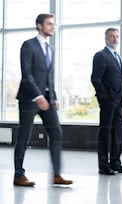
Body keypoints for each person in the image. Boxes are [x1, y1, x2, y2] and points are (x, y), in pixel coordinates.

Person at [13, 13, 73, 186]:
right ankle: (18, 175)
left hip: (47, 99)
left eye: (53, 24)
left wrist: (52, 97)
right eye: (49, 24)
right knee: (24, 136)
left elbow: (50, 77)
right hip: (29, 98)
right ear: (39, 26)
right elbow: (27, 74)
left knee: (56, 133)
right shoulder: (28, 45)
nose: (53, 27)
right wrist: (38, 96)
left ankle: (56, 174)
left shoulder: (50, 49)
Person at [91, 27, 122, 175]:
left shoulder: (118, 57)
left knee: (118, 134)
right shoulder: (101, 55)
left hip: (119, 102)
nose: (115, 39)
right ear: (106, 38)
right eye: (112, 36)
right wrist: (104, 97)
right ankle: (103, 165)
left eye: (117, 36)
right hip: (108, 101)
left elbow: (121, 80)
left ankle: (116, 163)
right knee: (105, 134)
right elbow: (95, 78)